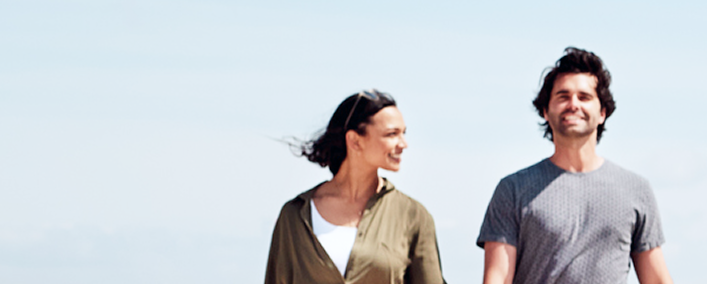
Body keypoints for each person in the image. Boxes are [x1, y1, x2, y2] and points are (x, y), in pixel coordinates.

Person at [476, 48, 673, 284]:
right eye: (563, 96)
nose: (573, 104)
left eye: (584, 97)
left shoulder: (635, 190)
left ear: (602, 113)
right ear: (545, 112)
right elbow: (496, 279)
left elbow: (657, 280)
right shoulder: (513, 190)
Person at [267, 89, 448, 284]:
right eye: (391, 134)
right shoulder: (294, 215)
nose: (403, 144)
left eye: (403, 133)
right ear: (354, 141)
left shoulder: (413, 216)